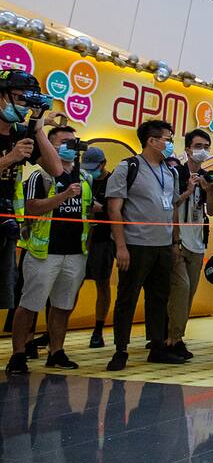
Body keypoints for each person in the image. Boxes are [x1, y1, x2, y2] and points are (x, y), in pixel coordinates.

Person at [5, 126, 91, 374]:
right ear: (49, 145)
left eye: (74, 142)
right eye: (65, 142)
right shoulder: (39, 176)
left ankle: (56, 351)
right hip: (44, 253)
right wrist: (63, 195)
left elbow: (86, 211)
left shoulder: (84, 177)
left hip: (75, 252)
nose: (71, 146)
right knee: (29, 304)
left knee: (63, 305)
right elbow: (31, 208)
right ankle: (19, 354)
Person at [105, 120, 185, 371]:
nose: (170, 144)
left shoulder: (170, 172)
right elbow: (114, 209)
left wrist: (174, 242)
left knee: (159, 297)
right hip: (135, 244)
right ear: (152, 141)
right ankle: (121, 349)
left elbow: (171, 207)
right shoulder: (128, 167)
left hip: (163, 246)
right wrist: (121, 247)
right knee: (127, 298)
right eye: (167, 139)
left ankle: (157, 347)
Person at [0, 71, 60, 315]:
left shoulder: (19, 132)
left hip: (6, 223)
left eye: (27, 98)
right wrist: (11, 157)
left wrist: (36, 128)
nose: (23, 104)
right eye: (18, 97)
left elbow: (55, 168)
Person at [165, 129, 213, 360]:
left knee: (188, 294)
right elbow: (170, 205)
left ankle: (177, 337)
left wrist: (208, 190)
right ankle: (170, 339)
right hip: (177, 241)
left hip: (198, 242)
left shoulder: (207, 176)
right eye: (197, 146)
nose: (202, 150)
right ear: (187, 149)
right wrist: (188, 191)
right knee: (179, 290)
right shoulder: (174, 173)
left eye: (205, 146)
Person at [80, 146, 114, 347]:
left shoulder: (112, 181)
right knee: (73, 284)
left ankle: (98, 330)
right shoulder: (82, 180)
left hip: (103, 239)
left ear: (103, 164)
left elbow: (119, 211)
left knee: (103, 284)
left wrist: (102, 210)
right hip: (80, 238)